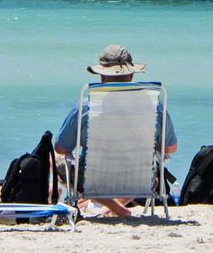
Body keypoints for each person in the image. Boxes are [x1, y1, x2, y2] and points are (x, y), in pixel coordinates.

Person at [53, 45, 176, 217]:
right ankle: (116, 206)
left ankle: (114, 207)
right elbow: (170, 148)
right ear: (132, 75)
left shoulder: (87, 107)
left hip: (93, 179)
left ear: (102, 76)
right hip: (141, 180)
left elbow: (61, 148)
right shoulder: (154, 107)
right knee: (152, 171)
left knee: (58, 160)